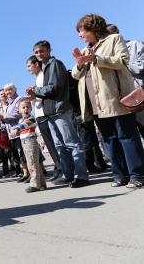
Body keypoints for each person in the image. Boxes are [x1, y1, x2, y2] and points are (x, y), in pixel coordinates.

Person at [72, 13, 144, 188]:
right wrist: (81, 63)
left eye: (81, 31)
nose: (79, 35)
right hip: (94, 102)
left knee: (126, 136)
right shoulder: (85, 49)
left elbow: (122, 61)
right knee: (109, 139)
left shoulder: (114, 39)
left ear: (92, 28)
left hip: (115, 98)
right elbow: (75, 74)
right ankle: (120, 175)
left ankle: (138, 175)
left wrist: (96, 58)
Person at [27, 40, 89, 188]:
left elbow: (54, 88)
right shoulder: (45, 68)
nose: (39, 54)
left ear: (49, 50)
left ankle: (81, 175)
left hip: (60, 109)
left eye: (41, 51)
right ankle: (67, 175)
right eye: (36, 52)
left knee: (72, 143)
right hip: (51, 112)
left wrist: (36, 90)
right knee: (60, 146)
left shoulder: (55, 64)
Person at [25, 55, 62, 180]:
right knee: (50, 144)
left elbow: (45, 93)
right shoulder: (38, 78)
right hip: (40, 113)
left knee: (53, 143)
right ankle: (59, 167)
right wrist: (32, 96)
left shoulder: (42, 76)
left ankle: (61, 168)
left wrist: (34, 93)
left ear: (36, 64)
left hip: (45, 113)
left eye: (29, 65)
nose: (28, 69)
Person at [106, 23, 144, 139]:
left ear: (117, 32)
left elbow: (140, 67)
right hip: (127, 100)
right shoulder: (109, 56)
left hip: (140, 93)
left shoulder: (134, 45)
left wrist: (122, 61)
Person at [11, 99, 47, 192]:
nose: (26, 109)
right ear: (19, 110)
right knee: (35, 163)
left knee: (32, 163)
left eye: (28, 107)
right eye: (23, 107)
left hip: (30, 142)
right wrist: (17, 132)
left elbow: (25, 124)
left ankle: (35, 184)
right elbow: (22, 128)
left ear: (31, 109)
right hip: (25, 142)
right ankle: (41, 184)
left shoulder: (30, 118)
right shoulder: (20, 120)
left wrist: (17, 128)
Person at [1, 83, 28, 180]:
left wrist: (4, 118)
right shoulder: (8, 103)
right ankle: (25, 173)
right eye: (6, 90)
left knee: (23, 152)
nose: (8, 92)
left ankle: (27, 173)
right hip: (11, 133)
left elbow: (19, 113)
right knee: (17, 154)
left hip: (19, 130)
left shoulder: (19, 99)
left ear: (15, 90)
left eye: (10, 89)